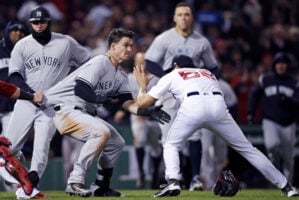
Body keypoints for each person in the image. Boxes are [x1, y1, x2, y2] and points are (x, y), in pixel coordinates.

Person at [133, 54, 299, 198]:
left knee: (171, 144)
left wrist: (142, 87)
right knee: (248, 150)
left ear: (176, 66)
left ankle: (174, 182)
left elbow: (143, 102)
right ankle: (287, 187)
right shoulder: (207, 73)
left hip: (193, 106)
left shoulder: (173, 74)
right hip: (218, 107)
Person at [41, 28, 170, 197]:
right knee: (101, 133)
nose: (130, 49)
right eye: (126, 45)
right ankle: (75, 181)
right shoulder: (101, 62)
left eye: (131, 45)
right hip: (62, 108)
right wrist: (105, 99)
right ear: (113, 46)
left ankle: (101, 186)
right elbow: (81, 89)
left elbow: (127, 103)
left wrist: (146, 111)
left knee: (117, 142)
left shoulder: (121, 76)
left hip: (80, 112)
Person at [6, 5, 90, 188]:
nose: (38, 25)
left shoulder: (66, 42)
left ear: (49, 22)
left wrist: (75, 86)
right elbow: (14, 75)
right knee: (8, 148)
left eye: (42, 21)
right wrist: (30, 94)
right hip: (26, 102)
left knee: (42, 145)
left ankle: (31, 183)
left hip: (51, 104)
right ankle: (18, 169)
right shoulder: (22, 45)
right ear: (30, 24)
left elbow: (87, 63)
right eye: (35, 22)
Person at [144, 2, 219, 189]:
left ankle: (194, 178)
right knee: (168, 137)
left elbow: (213, 67)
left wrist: (207, 83)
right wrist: (168, 78)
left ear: (192, 17)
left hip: (192, 93)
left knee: (195, 134)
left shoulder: (201, 41)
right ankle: (174, 179)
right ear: (174, 18)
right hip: (169, 93)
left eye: (187, 14)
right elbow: (150, 62)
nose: (183, 18)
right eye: (180, 14)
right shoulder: (164, 38)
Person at [248, 52, 299, 184]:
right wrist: (251, 113)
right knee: (272, 145)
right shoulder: (265, 79)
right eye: (278, 63)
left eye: (283, 63)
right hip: (270, 120)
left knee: (289, 157)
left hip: (289, 122)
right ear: (274, 65)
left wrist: (290, 101)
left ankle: (288, 184)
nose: (281, 66)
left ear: (287, 66)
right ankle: (274, 166)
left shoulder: (294, 82)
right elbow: (254, 95)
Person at [122, 52, 162, 189]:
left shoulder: (155, 79)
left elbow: (160, 99)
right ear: (134, 64)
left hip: (154, 117)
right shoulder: (129, 78)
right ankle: (141, 172)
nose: (141, 65)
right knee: (140, 141)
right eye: (138, 62)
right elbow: (126, 99)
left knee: (157, 148)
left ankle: (156, 174)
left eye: (144, 62)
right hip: (138, 116)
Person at [200, 78, 238, 190]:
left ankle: (219, 182)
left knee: (220, 155)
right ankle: (207, 182)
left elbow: (233, 105)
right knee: (205, 151)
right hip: (204, 123)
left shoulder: (223, 86)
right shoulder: (197, 84)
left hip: (220, 123)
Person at [0, 20, 27, 137]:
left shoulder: (26, 54)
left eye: (22, 31)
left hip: (11, 108)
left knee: (8, 144)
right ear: (7, 32)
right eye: (15, 30)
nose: (18, 33)